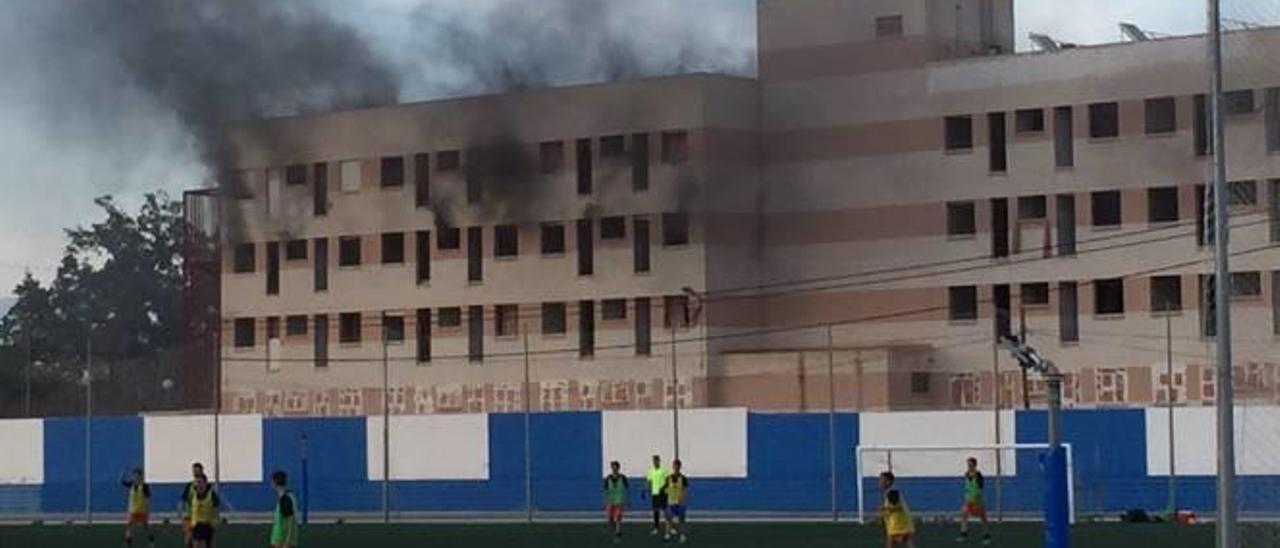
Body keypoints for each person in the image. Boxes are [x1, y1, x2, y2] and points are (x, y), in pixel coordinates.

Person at [957, 457, 992, 545]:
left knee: (983, 518)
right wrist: (966, 497)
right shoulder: (966, 474)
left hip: (977, 501)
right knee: (963, 515)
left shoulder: (979, 476)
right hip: (968, 501)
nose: (968, 466)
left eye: (970, 464)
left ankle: (986, 536)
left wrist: (977, 499)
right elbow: (967, 487)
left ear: (974, 465)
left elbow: (980, 488)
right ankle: (963, 534)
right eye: (968, 464)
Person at [880, 471, 916, 548]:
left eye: (882, 479)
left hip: (897, 522)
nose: (880, 482)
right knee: (906, 540)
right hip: (901, 521)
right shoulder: (889, 492)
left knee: (891, 541)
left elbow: (896, 506)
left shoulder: (892, 492)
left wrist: (886, 509)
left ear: (888, 481)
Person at [122, 467, 155, 548]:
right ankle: (128, 542)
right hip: (133, 510)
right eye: (135, 475)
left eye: (138, 475)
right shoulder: (132, 485)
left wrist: (147, 509)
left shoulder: (144, 486)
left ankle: (151, 541)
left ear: (141, 476)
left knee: (145, 526)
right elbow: (124, 483)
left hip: (142, 510)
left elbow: (148, 497)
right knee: (129, 526)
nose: (136, 477)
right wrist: (122, 475)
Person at [188, 473, 221, 548]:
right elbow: (190, 508)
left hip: (207, 525)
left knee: (203, 544)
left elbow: (216, 509)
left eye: (200, 482)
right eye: (197, 482)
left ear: (205, 483)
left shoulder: (211, 495)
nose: (199, 485)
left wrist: (216, 521)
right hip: (195, 525)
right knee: (195, 544)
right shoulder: (193, 494)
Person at [270, 470, 300, 548]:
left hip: (281, 542)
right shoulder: (289, 497)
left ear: (275, 483)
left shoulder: (285, 499)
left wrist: (287, 542)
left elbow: (290, 521)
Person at [178, 462, 205, 548]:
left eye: (197, 471)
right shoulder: (190, 486)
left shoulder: (206, 486)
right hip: (189, 517)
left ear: (201, 471)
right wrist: (181, 514)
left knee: (199, 541)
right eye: (194, 471)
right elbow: (182, 500)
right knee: (188, 540)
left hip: (201, 517)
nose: (195, 473)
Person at [664, 459, 690, 544]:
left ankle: (682, 535)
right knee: (669, 519)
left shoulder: (683, 478)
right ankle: (667, 534)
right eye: (675, 465)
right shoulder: (668, 478)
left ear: (680, 467)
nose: (676, 467)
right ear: (673, 466)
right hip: (671, 502)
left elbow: (685, 491)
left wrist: (684, 500)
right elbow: (665, 489)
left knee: (681, 521)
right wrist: (666, 492)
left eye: (678, 466)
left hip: (680, 503)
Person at [603, 461, 629, 543]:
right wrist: (605, 502)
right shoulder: (608, 478)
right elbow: (605, 490)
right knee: (610, 519)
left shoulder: (623, 477)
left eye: (615, 467)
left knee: (618, 517)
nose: (614, 469)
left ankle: (618, 533)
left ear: (618, 468)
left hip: (619, 500)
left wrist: (627, 500)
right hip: (610, 501)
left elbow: (627, 489)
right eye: (612, 467)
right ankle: (616, 530)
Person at [645, 455, 669, 536]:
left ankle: (669, 527)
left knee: (665, 511)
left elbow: (667, 481)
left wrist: (663, 488)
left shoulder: (664, 470)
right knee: (655, 511)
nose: (655, 462)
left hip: (663, 494)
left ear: (659, 461)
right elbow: (649, 482)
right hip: (654, 494)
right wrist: (645, 490)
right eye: (654, 461)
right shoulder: (651, 471)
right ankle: (656, 528)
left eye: (656, 460)